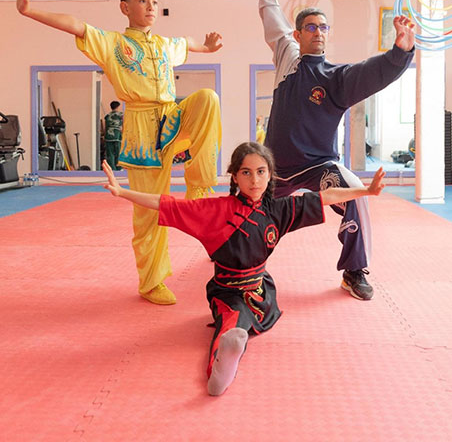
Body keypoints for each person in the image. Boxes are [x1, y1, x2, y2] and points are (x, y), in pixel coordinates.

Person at [101, 142, 386, 396]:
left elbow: (326, 196)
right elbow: (168, 204)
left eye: (261, 172)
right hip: (227, 292)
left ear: (270, 175)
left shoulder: (278, 210)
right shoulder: (215, 210)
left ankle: (236, 340)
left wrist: (366, 191)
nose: (254, 180)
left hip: (262, 292)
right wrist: (123, 192)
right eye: (246, 173)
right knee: (232, 322)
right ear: (234, 176)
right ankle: (219, 369)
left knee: (242, 319)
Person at [15, 0, 223, 306]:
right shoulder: (112, 43)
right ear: (125, 7)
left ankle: (198, 184)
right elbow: (75, 25)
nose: (151, 7)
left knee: (208, 98)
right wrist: (28, 10)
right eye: (142, 0)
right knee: (150, 210)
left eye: (155, 2)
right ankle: (151, 282)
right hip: (141, 131)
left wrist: (207, 47)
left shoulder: (164, 44)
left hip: (171, 117)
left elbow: (188, 43)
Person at [255, 0, 415, 301]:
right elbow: (271, 13)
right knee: (243, 210)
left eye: (323, 27)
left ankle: (354, 271)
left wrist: (400, 52)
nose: (318, 32)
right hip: (276, 168)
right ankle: (238, 259)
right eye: (311, 27)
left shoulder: (337, 77)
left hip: (319, 167)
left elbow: (372, 72)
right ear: (298, 34)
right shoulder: (287, 56)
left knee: (355, 193)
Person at [104, 101, 123, 170]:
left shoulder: (107, 116)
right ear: (117, 107)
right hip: (117, 136)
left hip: (108, 137)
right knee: (118, 153)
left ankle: (112, 168)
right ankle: (119, 168)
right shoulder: (120, 115)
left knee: (110, 154)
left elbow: (105, 127)